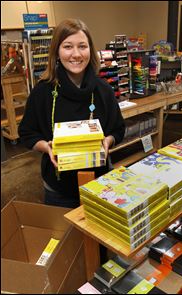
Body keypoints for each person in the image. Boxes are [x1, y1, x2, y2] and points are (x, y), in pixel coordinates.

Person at [18, 19, 125, 209]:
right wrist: (46, 146)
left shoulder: (103, 90)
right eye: (68, 46)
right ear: (57, 52)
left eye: (82, 46)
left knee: (100, 237)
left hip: (100, 184)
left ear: (90, 50)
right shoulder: (42, 92)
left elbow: (118, 129)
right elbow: (27, 132)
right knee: (66, 237)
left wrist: (107, 142)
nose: (76, 54)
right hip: (59, 190)